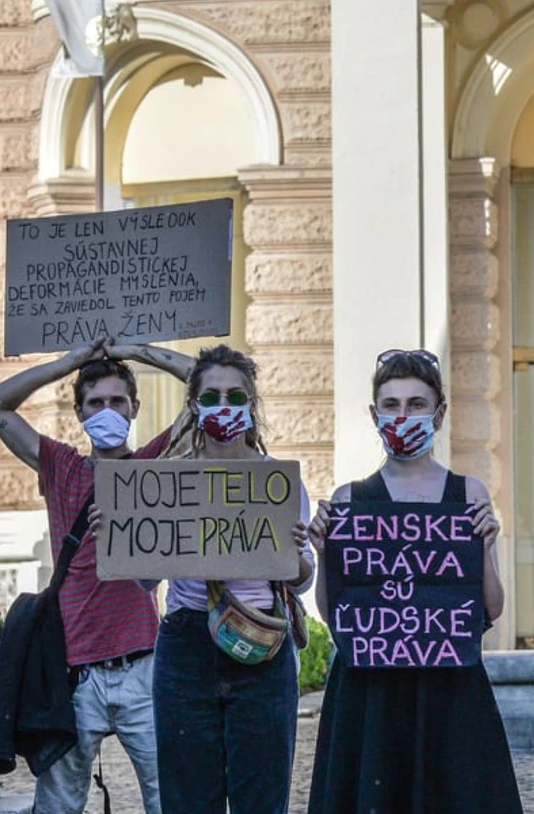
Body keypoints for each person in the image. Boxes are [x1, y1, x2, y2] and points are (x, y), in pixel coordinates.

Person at [0, 337, 197, 814]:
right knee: (58, 805)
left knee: (172, 799)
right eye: (95, 402)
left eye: (118, 401)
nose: (108, 410)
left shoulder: (153, 465)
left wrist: (138, 351)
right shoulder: (62, 467)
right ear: (79, 413)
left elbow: (209, 387)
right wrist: (68, 363)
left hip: (142, 667)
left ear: (135, 407)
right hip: (74, 674)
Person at [308, 349, 523, 813]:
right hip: (372, 688)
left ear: (439, 414)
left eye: (416, 404)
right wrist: (324, 551)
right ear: (374, 414)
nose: (403, 416)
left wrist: (486, 546)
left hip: (446, 682)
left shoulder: (469, 493)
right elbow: (335, 614)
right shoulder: (350, 499)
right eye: (391, 405)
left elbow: (491, 608)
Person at [152, 346, 320, 814]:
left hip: (261, 645)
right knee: (187, 797)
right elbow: (144, 579)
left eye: (235, 395)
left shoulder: (277, 481)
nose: (223, 406)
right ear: (193, 406)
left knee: (262, 797)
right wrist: (120, 537)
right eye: (211, 397)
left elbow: (302, 579)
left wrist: (298, 553)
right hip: (187, 644)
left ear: (251, 405)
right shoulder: (167, 481)